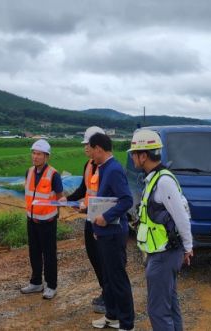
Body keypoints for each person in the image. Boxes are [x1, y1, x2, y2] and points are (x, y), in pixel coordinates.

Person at [129, 129, 193, 330]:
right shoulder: (154, 178)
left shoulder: (163, 181)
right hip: (162, 252)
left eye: (134, 153)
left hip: (164, 254)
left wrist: (188, 247)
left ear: (144, 156)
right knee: (170, 305)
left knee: (158, 310)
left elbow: (182, 217)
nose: (132, 157)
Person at [87, 133, 135, 331]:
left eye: (90, 149)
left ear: (99, 148)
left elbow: (126, 200)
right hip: (105, 233)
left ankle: (127, 323)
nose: (89, 153)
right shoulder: (104, 168)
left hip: (114, 233)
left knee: (117, 278)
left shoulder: (113, 169)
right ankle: (112, 316)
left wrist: (105, 218)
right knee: (107, 277)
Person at [67, 126, 106, 314]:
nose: (85, 148)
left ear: (97, 146)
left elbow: (109, 199)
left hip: (103, 222)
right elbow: (83, 190)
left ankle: (109, 295)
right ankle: (105, 290)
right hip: (90, 219)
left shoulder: (107, 167)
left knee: (104, 258)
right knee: (94, 257)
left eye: (88, 145)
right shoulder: (88, 165)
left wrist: (86, 207)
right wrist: (65, 200)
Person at [20, 139, 65, 300]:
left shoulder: (54, 175)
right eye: (33, 153)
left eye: (39, 154)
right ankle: (36, 282)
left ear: (46, 156)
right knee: (34, 252)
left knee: (49, 254)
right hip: (32, 220)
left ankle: (51, 286)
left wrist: (57, 212)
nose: (35, 157)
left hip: (48, 221)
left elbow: (59, 197)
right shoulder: (29, 172)